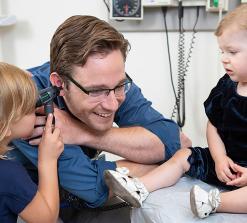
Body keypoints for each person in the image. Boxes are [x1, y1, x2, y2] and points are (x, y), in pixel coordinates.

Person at [10, 15, 191, 212]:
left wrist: (81, 132)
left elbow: (171, 141)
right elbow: (94, 188)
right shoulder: (25, 103)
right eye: (96, 91)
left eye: (119, 86)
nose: (113, 104)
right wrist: (171, 165)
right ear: (59, 83)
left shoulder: (111, 81)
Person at [104, 4, 247, 219]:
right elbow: (214, 125)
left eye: (233, 52)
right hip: (225, 163)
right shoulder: (226, 85)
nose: (224, 58)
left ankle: (214, 201)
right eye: (222, 51)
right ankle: (140, 187)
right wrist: (219, 158)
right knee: (183, 155)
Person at [0, 62, 64, 223]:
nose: (37, 110)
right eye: (30, 109)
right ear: (4, 126)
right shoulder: (8, 175)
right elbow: (47, 218)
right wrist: (47, 160)